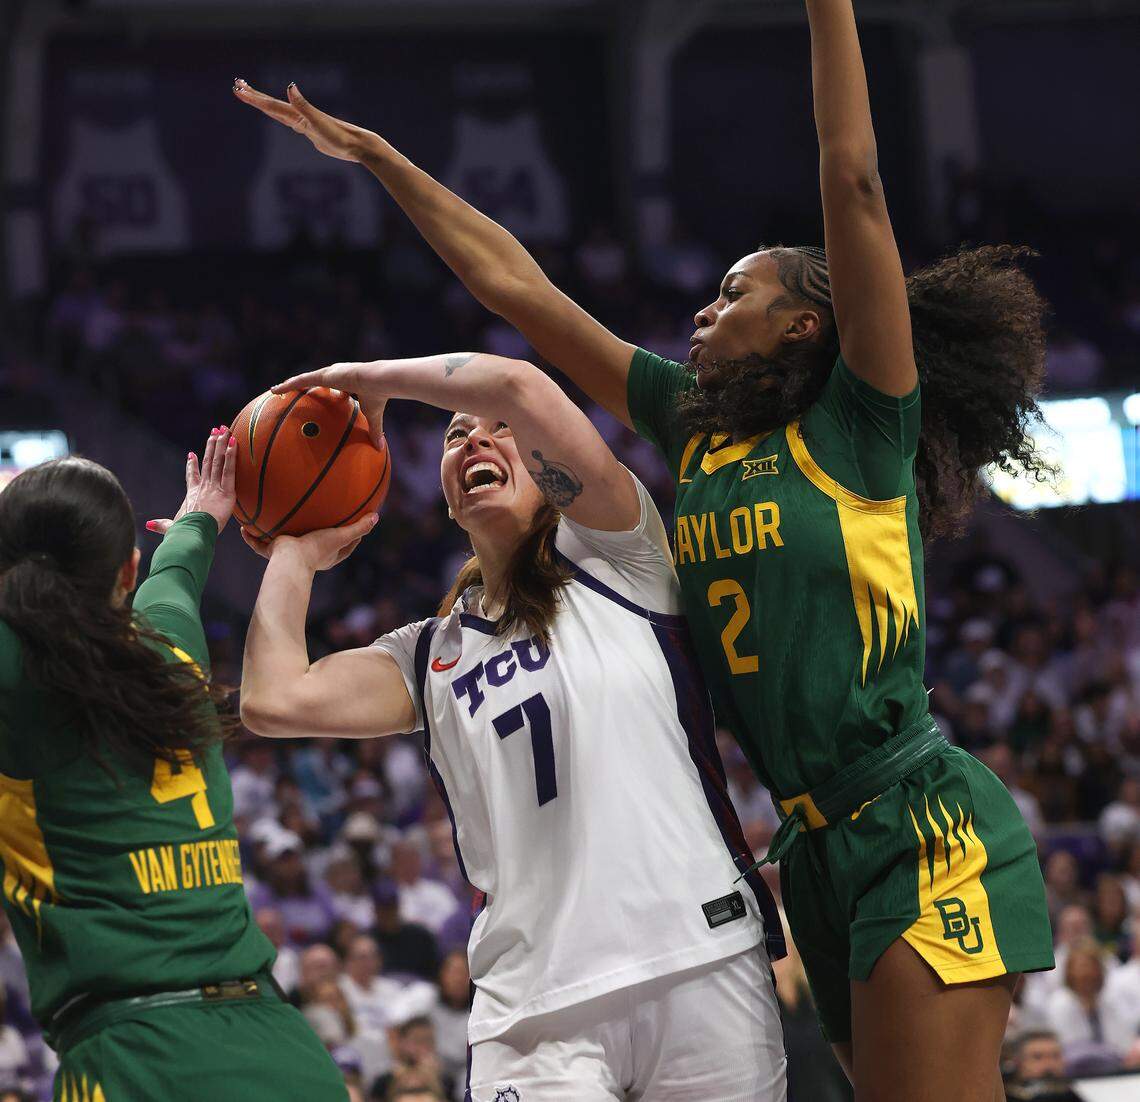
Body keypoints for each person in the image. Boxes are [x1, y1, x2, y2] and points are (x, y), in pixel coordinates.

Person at [233, 2, 1055, 1096]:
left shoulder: (862, 420)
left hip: (914, 816)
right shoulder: (695, 429)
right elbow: (517, 291)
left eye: (735, 294)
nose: (703, 314)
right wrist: (383, 161)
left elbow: (851, 175)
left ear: (807, 323)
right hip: (808, 849)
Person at [238, 350, 787, 1100]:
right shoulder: (429, 653)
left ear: (545, 464)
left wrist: (375, 379)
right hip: (533, 1008)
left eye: (498, 432)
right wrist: (297, 548)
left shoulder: (617, 553)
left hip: (698, 957)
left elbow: (521, 385)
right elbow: (273, 700)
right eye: (457, 436)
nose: (475, 442)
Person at [0, 432, 346, 1099]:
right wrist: (201, 513)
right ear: (126, 571)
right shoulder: (174, 649)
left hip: (136, 1061)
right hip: (282, 1052)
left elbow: (176, 570)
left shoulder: (15, 679)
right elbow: (177, 572)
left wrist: (197, 523)